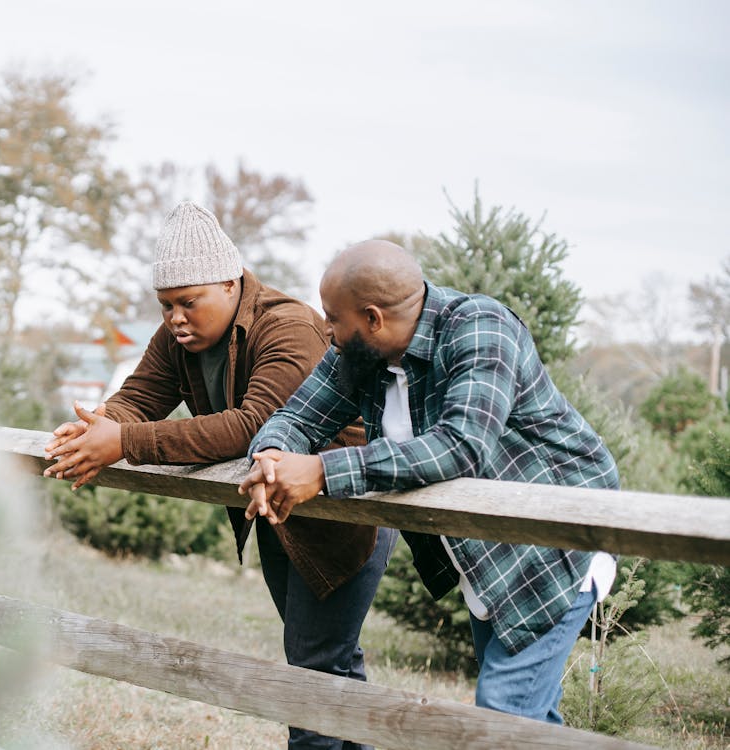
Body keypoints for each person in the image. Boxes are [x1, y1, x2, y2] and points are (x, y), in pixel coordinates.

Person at [43, 202, 397, 750]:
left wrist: (125, 442)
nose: (176, 318)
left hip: (344, 515)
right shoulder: (177, 338)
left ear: (231, 285)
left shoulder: (289, 326)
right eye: (165, 306)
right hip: (281, 514)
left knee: (311, 674)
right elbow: (140, 397)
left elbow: (255, 424)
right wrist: (98, 428)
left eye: (189, 302)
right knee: (329, 666)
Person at [239, 239, 619, 725]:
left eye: (334, 319)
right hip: (485, 552)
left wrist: (321, 471)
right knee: (530, 720)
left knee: (503, 715)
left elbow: (460, 446)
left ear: (373, 318)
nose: (328, 332)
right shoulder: (361, 355)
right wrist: (270, 456)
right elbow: (297, 416)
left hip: (555, 539)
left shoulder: (481, 327)